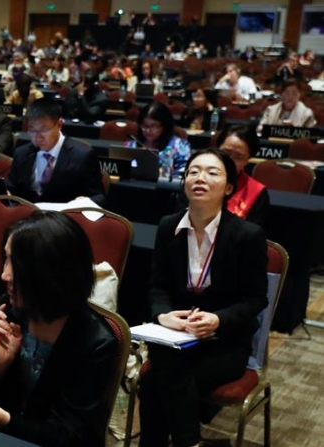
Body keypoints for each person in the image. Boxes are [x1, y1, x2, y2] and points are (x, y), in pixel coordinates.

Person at [0, 212, 118, 447]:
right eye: (5, 259)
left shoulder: (95, 342)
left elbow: (72, 436)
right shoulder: (12, 309)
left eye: (15, 264)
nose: (4, 274)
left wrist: (4, 420)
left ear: (50, 274)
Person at [139, 148, 268, 447]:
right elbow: (157, 286)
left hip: (225, 342)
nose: (200, 178)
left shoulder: (247, 235)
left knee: (154, 381)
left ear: (229, 188)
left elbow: (256, 299)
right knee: (165, 368)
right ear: (184, 182)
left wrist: (218, 319)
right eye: (193, 171)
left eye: (212, 172)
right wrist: (162, 315)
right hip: (176, 338)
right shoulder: (168, 226)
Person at [6, 97, 105, 205]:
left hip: (63, 219)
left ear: (59, 125)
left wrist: (84, 202)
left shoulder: (83, 155)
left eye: (44, 130)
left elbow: (99, 197)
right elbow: (11, 189)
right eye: (32, 130)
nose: (38, 137)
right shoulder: (22, 153)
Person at [217, 125, 270, 227]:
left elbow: (251, 235)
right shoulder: (198, 180)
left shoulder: (257, 193)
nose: (229, 161)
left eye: (238, 157)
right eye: (225, 153)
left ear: (247, 160)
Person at [126, 102, 191, 177]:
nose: (147, 130)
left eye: (153, 126)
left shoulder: (180, 146)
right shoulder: (131, 145)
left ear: (164, 126)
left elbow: (184, 173)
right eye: (144, 125)